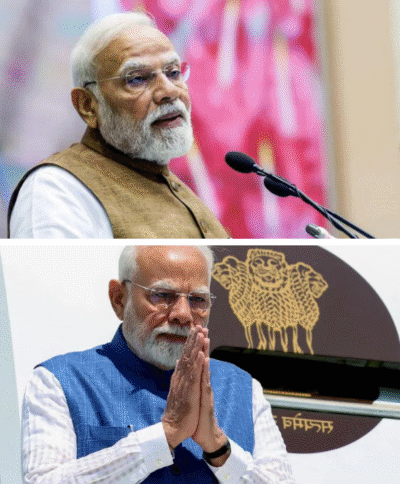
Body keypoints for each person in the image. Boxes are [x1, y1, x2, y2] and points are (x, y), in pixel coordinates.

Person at [20, 246, 294, 483]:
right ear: (119, 298)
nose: (183, 315)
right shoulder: (60, 381)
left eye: (197, 300)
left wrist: (219, 448)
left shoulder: (242, 387)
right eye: (162, 295)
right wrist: (165, 435)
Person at [8, 12, 229, 238]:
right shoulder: (57, 190)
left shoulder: (179, 191)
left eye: (173, 73)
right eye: (137, 79)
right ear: (88, 105)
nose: (170, 91)